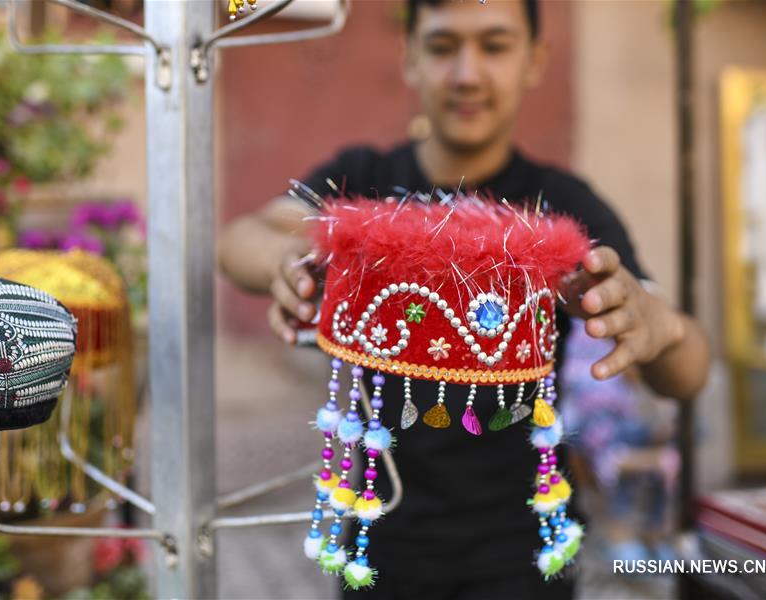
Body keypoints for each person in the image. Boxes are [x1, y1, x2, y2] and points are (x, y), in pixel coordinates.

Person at [218, 1, 711, 598]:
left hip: (524, 556)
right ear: (410, 57)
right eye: (444, 45)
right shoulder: (363, 181)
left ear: (535, 60)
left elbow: (685, 370)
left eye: (495, 46)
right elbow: (243, 239)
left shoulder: (565, 205)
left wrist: (663, 327)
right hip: (383, 547)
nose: (467, 74)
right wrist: (282, 261)